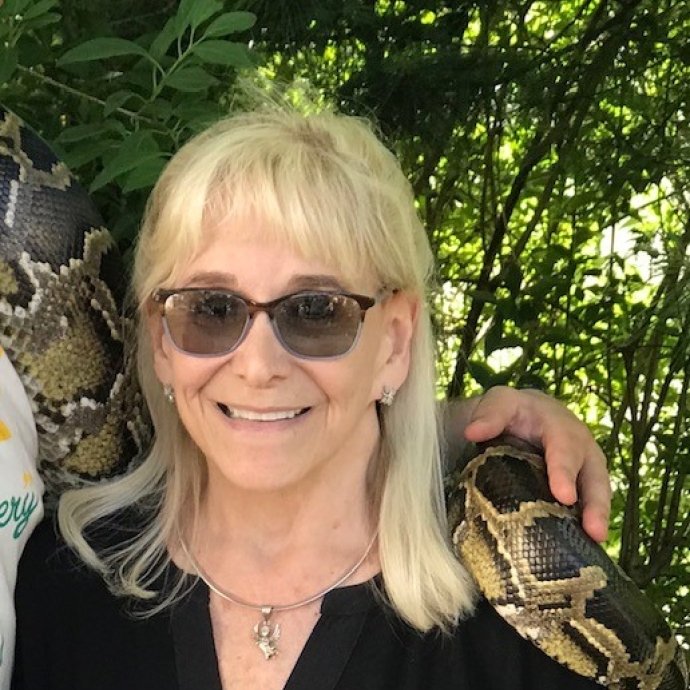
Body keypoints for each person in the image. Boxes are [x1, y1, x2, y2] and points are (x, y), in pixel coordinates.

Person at [12, 101, 610, 689]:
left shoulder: (526, 639)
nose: (257, 367)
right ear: (161, 340)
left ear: (394, 342)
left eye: (316, 311)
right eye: (212, 309)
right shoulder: (60, 587)